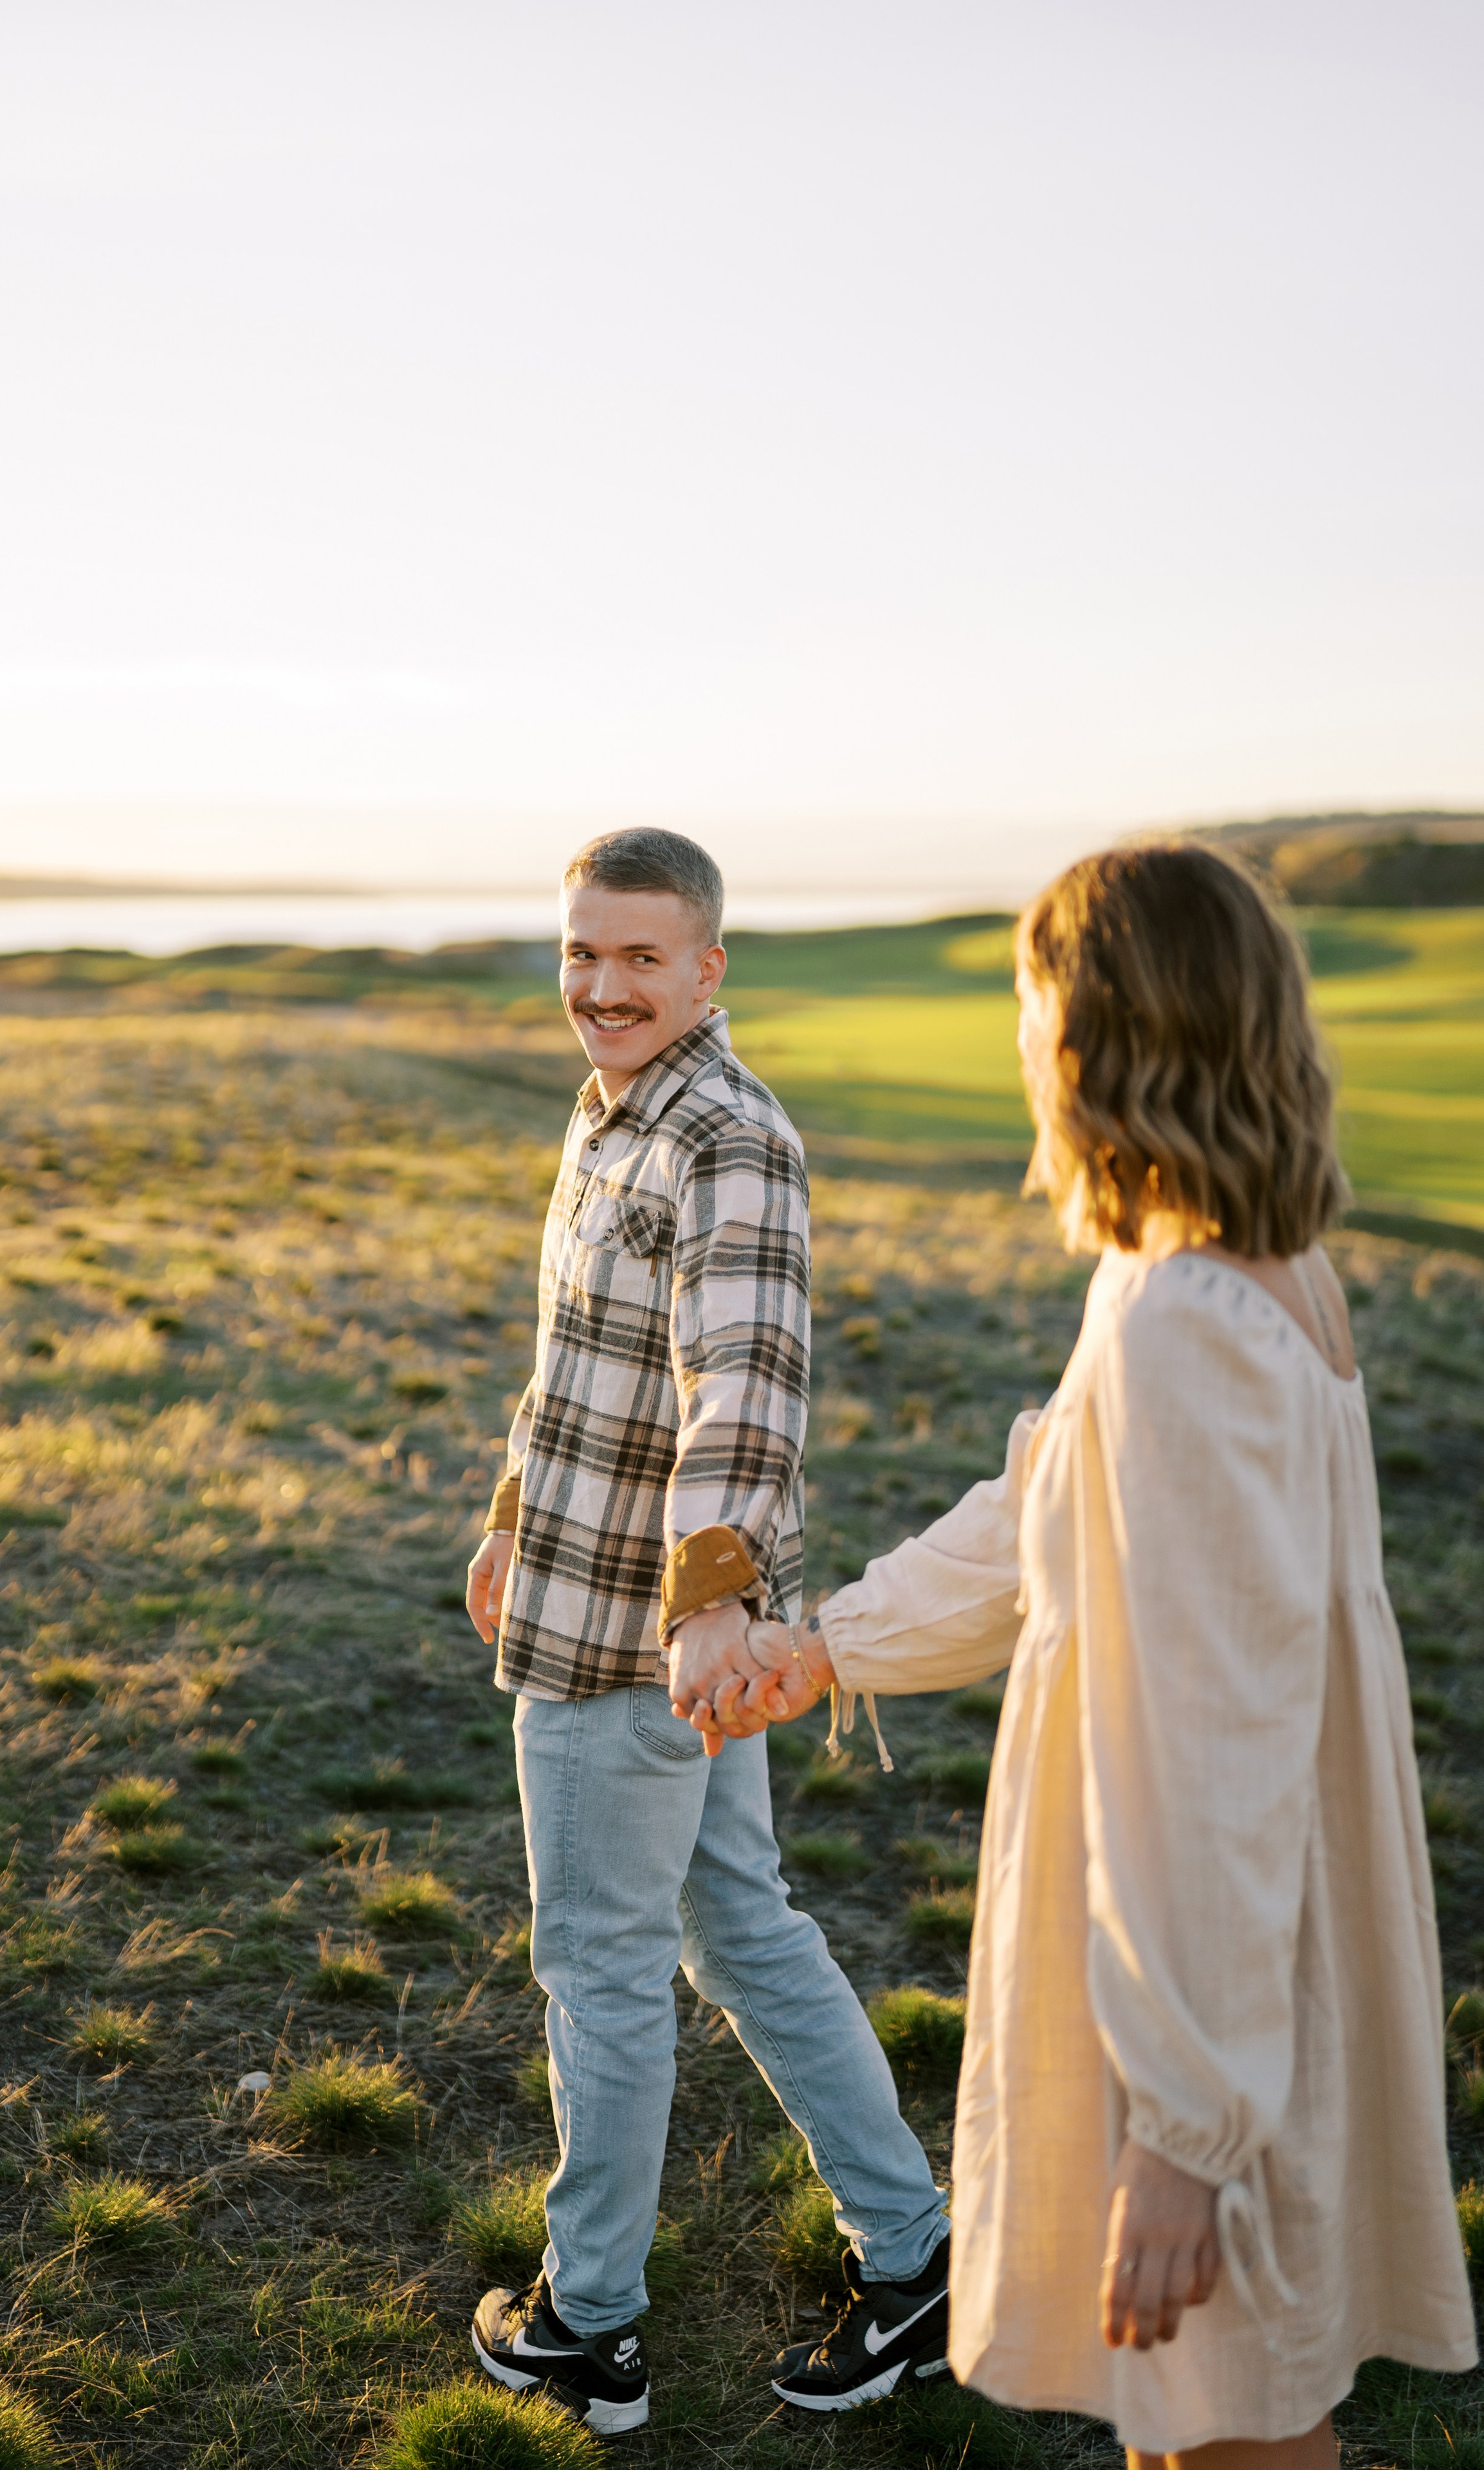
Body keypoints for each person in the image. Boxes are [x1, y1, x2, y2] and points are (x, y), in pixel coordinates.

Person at [677, 845, 1477, 2467]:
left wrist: (1185, 2132)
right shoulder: (1224, 1277)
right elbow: (1046, 1497)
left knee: (1218, 2424)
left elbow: (1216, 1759)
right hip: (1243, 1967)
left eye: (1037, 1006)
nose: (1024, 1042)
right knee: (1206, 2409)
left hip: (1199, 1983)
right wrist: (829, 1644)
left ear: (1105, 1037)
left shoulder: (1190, 1323)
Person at [462, 827, 951, 2434]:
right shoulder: (609, 1115)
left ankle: (586, 2324)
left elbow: (741, 1390)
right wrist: (504, 1516)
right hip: (589, 1586)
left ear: (708, 969)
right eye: (581, 954)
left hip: (635, 1642)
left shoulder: (726, 1137)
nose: (602, 987)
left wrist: (708, 1606)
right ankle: (916, 2249)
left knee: (599, 1967)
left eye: (640, 959)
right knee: (740, 1929)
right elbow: (576, 1358)